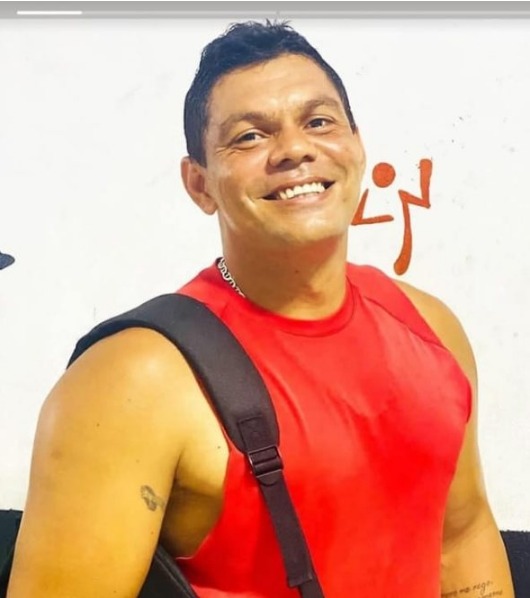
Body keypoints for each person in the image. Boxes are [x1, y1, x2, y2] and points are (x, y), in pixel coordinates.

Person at [7, 21, 514, 598]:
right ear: (199, 185)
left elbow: (461, 538)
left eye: (319, 122)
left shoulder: (430, 327)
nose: (295, 149)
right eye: (249, 137)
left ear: (357, 145)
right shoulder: (133, 379)